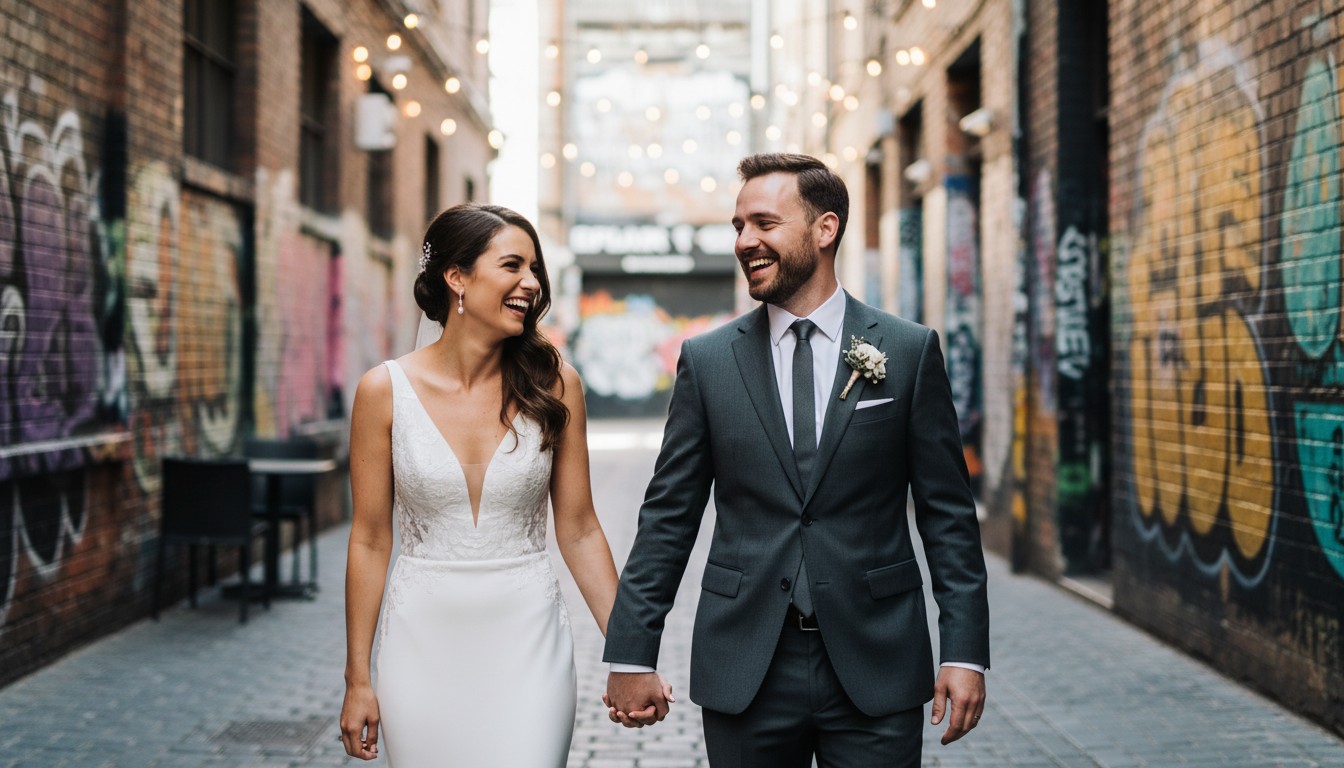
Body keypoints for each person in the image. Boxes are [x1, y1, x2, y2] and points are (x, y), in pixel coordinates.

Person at [602, 153, 990, 767]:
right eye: (737, 227)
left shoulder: (909, 352)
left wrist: (963, 652)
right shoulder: (707, 362)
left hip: (877, 660)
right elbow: (669, 517)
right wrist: (631, 653)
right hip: (746, 662)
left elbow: (948, 517)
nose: (744, 242)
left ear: (824, 228)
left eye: (763, 223)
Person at [338, 203, 670, 766]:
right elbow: (370, 540)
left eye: (535, 269)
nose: (532, 283)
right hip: (420, 643)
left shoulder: (556, 385)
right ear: (457, 277)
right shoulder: (383, 391)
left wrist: (631, 656)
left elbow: (582, 529)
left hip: (527, 641)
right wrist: (357, 680)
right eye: (513, 265)